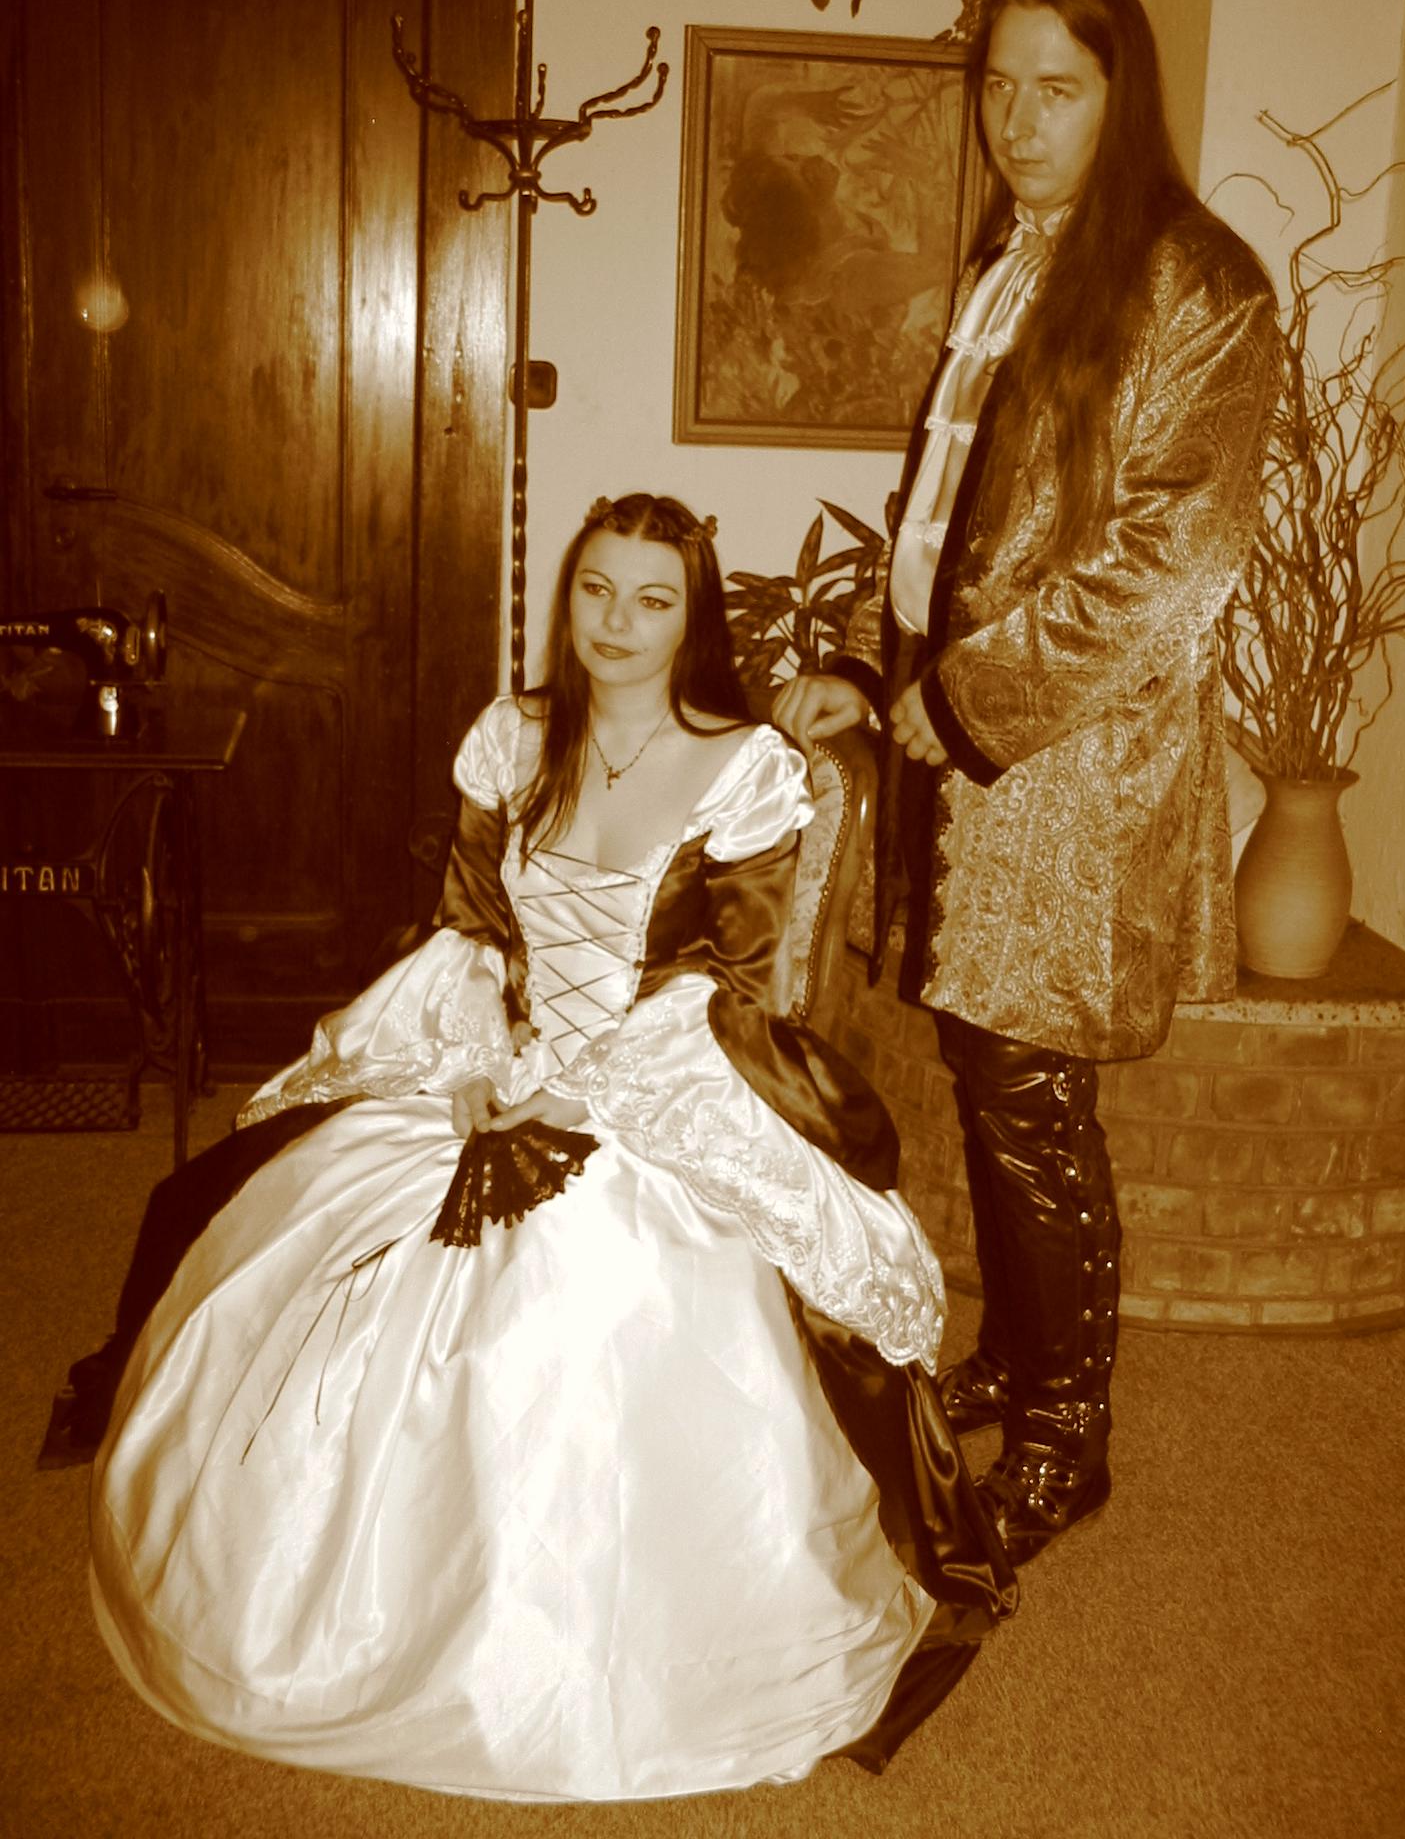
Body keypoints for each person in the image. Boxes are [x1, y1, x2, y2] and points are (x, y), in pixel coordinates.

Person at [88, 492, 1014, 1803]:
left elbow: (725, 988)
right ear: (567, 593)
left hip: (659, 1080)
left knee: (609, 1291)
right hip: (501, 1058)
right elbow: (474, 927)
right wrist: (475, 1067)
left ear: (693, 620)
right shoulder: (513, 738)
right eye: (596, 589)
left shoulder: (742, 766)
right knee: (314, 1242)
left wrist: (583, 1105)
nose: (616, 622)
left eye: (653, 599)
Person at [773, 0, 1278, 1568]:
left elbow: (1169, 561)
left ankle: (1068, 1438)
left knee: (1035, 1102)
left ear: (1123, 98)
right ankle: (1023, 1355)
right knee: (996, 1080)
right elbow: (960, 519)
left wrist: (974, 699)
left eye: (1056, 88)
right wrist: (882, 676)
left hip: (1067, 771)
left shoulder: (1197, 283)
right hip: (969, 747)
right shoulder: (1018, 261)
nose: (1017, 119)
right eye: (998, 84)